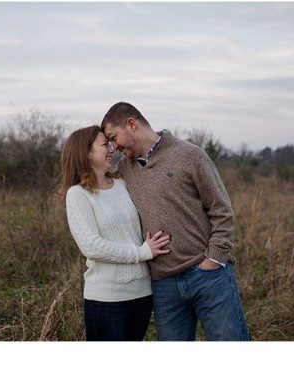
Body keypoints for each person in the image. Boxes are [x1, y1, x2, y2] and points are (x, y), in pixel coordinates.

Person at [101, 102, 248, 341]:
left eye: (113, 137)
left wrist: (214, 259)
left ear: (131, 125)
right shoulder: (124, 168)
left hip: (207, 275)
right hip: (163, 284)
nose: (113, 147)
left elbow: (221, 209)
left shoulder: (190, 155)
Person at [60, 124, 171, 341]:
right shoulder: (78, 195)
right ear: (87, 152)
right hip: (106, 300)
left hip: (142, 294)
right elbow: (91, 246)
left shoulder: (121, 183)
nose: (113, 148)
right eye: (104, 145)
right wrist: (141, 253)